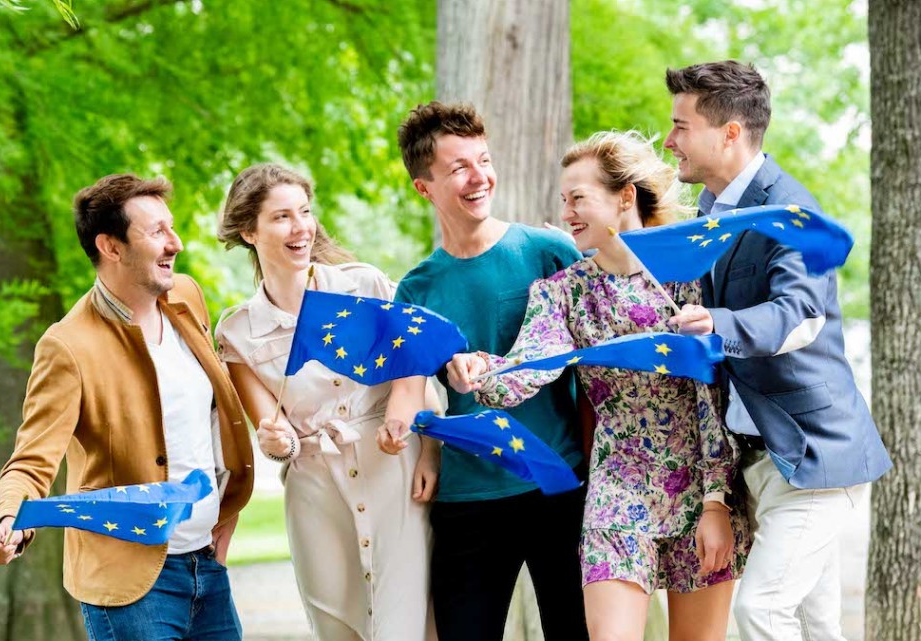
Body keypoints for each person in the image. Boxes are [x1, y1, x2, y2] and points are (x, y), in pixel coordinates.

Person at [447, 130, 750, 641]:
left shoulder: (689, 277)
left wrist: (717, 501)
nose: (566, 213)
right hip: (618, 486)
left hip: (701, 485)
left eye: (578, 198)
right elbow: (530, 365)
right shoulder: (562, 292)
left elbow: (711, 398)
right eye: (564, 200)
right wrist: (480, 372)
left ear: (625, 196)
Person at [662, 60, 892, 641]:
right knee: (817, 625)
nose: (669, 141)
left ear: (730, 133)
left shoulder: (793, 211)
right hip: (758, 461)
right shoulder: (708, 211)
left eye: (681, 126)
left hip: (813, 457)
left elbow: (800, 318)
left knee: (761, 610)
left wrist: (715, 323)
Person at [0, 173, 255, 641]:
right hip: (129, 585)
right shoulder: (68, 346)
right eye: (157, 232)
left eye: (171, 227)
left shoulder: (186, 297)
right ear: (111, 247)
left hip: (207, 567)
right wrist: (11, 522)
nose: (175, 243)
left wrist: (225, 513)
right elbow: (31, 459)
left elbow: (206, 421)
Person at [377, 102, 590, 641]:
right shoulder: (417, 288)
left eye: (484, 160)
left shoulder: (549, 252)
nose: (479, 177)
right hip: (468, 498)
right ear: (424, 187)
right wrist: (398, 430)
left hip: (557, 483)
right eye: (459, 168)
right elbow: (408, 391)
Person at [214, 163, 438, 641]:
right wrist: (277, 442)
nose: (301, 227)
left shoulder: (364, 286)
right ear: (249, 232)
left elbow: (416, 359)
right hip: (315, 494)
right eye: (282, 217)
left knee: (405, 624)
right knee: (337, 626)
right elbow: (275, 436)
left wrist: (423, 442)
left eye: (305, 211)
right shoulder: (237, 332)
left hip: (392, 471)